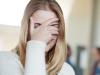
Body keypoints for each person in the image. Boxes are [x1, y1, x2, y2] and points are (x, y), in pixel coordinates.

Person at [0, 0, 75, 75]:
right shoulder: (3, 61)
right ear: (26, 28)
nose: (44, 34)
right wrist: (37, 45)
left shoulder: (67, 71)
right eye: (37, 26)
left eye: (52, 26)